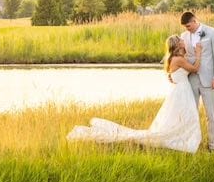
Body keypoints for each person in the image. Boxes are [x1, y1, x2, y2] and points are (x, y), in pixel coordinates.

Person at [66, 35, 203, 153]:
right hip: (181, 92)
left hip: (179, 91)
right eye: (181, 40)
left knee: (180, 117)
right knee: (186, 116)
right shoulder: (178, 59)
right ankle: (183, 139)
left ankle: (183, 137)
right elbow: (195, 68)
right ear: (177, 44)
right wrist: (199, 53)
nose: (184, 41)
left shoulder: (173, 58)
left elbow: (175, 74)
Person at [179, 12, 214, 151]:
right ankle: (193, 144)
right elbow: (181, 56)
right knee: (191, 113)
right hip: (191, 79)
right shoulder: (184, 36)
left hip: (209, 79)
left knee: (211, 115)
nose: (187, 29)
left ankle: (212, 146)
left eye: (189, 26)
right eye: (185, 27)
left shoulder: (212, 32)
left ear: (195, 21)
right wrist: (176, 73)